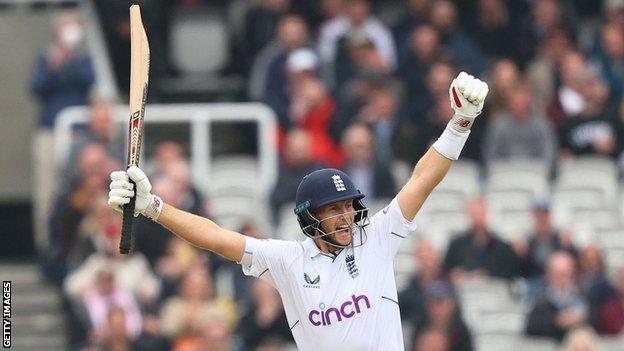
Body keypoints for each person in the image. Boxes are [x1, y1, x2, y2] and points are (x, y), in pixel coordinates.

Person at [107, 72, 489, 350]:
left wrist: (460, 123)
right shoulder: (289, 261)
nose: (345, 217)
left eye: (348, 207)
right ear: (311, 218)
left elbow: (421, 180)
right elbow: (217, 238)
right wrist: (153, 206)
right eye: (333, 209)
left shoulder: (376, 237)